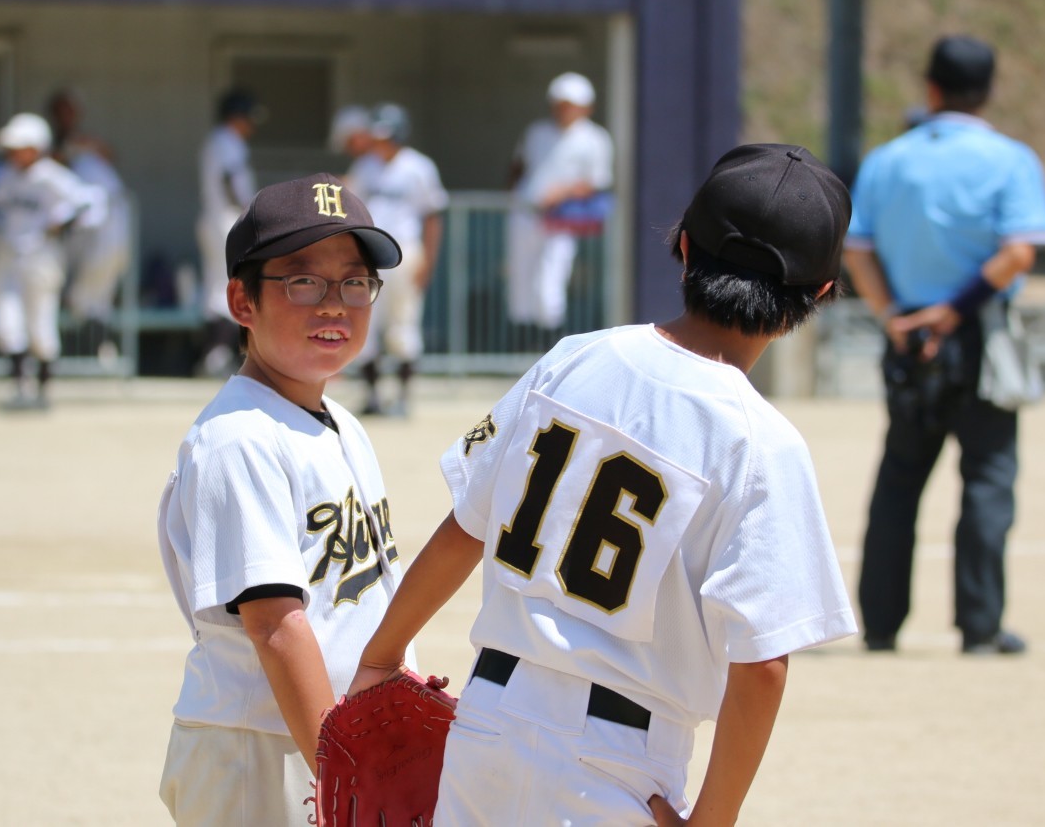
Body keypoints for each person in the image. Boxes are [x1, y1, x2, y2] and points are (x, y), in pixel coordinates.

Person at [348, 144, 859, 826]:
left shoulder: (574, 357)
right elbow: (762, 663)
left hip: (487, 724)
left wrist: (380, 659)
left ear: (684, 246)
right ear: (820, 293)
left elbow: (466, 526)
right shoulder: (762, 442)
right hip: (618, 762)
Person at [157, 173, 417, 825]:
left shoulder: (341, 422)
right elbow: (275, 624)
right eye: (303, 281)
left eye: (354, 282)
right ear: (241, 301)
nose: (335, 305)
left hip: (323, 736)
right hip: (262, 748)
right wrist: (344, 776)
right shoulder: (239, 437)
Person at [843, 35, 1045, 656]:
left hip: (908, 336)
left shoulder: (888, 160)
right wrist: (953, 311)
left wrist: (895, 316)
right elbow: (1018, 251)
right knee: (988, 477)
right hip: (979, 333)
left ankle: (881, 623)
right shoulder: (1011, 160)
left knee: (899, 478)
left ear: (931, 87)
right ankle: (980, 625)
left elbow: (858, 250)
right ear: (988, 91)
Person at [0, 112, 105, 409]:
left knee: (40, 320)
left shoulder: (51, 175)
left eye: (20, 147)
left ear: (36, 148)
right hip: (11, 255)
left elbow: (91, 201)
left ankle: (42, 390)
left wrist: (62, 223)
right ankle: (19, 387)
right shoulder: (7, 175)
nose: (14, 153)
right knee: (8, 319)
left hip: (42, 256)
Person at [347, 102, 448, 417]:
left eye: (386, 136)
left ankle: (403, 396)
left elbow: (433, 216)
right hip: (369, 253)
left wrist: (428, 260)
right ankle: (372, 396)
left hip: (405, 252)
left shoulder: (418, 167)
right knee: (365, 323)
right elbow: (350, 204)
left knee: (403, 325)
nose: (381, 143)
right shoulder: (365, 166)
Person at [506, 71, 614, 335]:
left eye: (571, 105)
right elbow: (518, 165)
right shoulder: (536, 132)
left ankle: (548, 338)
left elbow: (597, 181)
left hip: (561, 217)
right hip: (525, 213)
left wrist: (562, 192)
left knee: (551, 278)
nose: (564, 110)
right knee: (520, 275)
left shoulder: (595, 138)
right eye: (560, 104)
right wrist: (514, 192)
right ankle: (522, 339)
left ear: (586, 107)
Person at [47, 89, 131, 363]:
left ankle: (97, 350)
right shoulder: (51, 144)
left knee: (99, 292)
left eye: (69, 110)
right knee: (78, 294)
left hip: (106, 225)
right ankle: (87, 352)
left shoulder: (86, 147)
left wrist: (80, 145)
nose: (65, 116)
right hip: (77, 229)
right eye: (60, 110)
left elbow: (109, 152)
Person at [196, 88, 260, 378]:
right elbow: (231, 181)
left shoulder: (216, 140)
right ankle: (218, 355)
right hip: (227, 220)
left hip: (215, 219)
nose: (251, 124)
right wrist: (252, 214)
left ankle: (213, 354)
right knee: (229, 285)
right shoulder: (228, 140)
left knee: (216, 286)